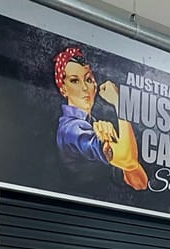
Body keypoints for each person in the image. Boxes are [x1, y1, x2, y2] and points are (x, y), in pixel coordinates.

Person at [54, 47, 148, 190]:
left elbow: (139, 182)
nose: (84, 87)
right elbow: (128, 160)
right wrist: (118, 102)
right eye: (74, 81)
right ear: (63, 88)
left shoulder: (95, 125)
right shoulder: (71, 129)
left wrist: (115, 144)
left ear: (95, 85)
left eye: (88, 79)